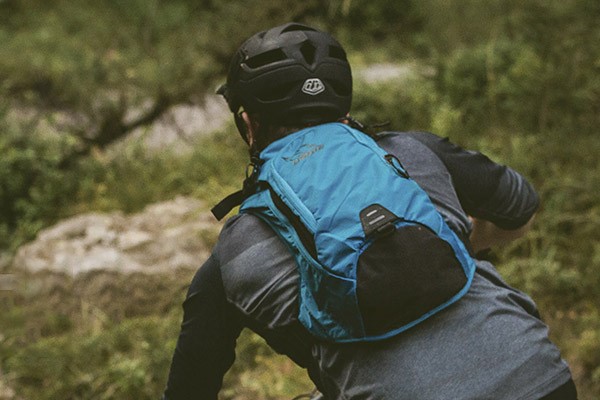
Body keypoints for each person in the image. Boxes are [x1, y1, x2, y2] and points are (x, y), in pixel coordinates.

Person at [162, 23, 577, 399]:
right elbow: (521, 209)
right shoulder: (416, 152)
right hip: (540, 377)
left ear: (248, 125)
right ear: (343, 108)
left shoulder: (231, 256)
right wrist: (455, 240)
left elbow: (189, 390)